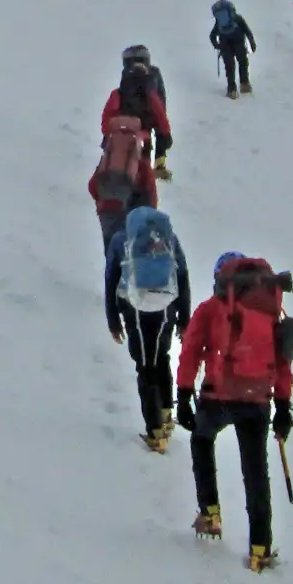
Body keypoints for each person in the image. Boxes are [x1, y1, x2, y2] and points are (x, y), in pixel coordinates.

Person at [176, 252, 293, 572]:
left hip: (219, 395)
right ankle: (261, 548)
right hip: (257, 399)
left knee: (202, 440)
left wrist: (184, 393)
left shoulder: (210, 308)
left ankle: (211, 514)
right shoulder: (271, 312)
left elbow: (190, 351)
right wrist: (283, 407)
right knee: (256, 472)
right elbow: (283, 362)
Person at [105, 204, 192, 449]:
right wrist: (184, 318)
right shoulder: (169, 238)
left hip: (137, 310)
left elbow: (111, 278)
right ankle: (165, 414)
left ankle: (155, 431)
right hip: (167, 307)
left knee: (145, 367)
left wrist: (113, 319)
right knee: (161, 357)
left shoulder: (121, 240)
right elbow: (183, 276)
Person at [89, 116, 160, 247]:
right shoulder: (142, 164)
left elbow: (92, 187)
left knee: (111, 252)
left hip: (107, 210)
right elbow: (151, 195)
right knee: (129, 256)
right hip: (132, 216)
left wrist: (105, 198)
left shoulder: (109, 156)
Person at [104, 46, 173, 178]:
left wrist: (107, 135)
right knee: (143, 167)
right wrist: (165, 134)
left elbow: (108, 114)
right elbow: (159, 112)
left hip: (121, 135)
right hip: (144, 133)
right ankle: (157, 168)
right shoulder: (151, 85)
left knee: (119, 164)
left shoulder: (120, 91)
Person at [209, 0, 257, 97]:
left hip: (225, 45)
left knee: (229, 66)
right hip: (239, 42)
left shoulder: (219, 24)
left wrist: (217, 46)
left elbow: (212, 36)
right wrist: (252, 43)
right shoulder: (237, 19)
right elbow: (247, 31)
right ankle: (244, 84)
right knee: (243, 62)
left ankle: (232, 90)